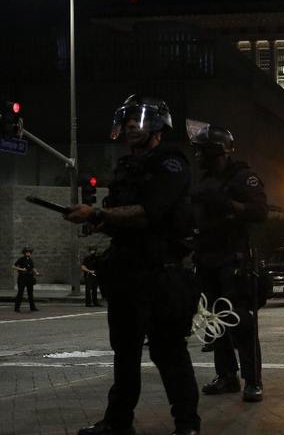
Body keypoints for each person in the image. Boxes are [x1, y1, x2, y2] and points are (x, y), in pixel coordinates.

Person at [64, 95, 201, 435]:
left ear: (157, 127)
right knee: (124, 352)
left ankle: (187, 424)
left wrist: (99, 213)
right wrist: (97, 221)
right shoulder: (126, 168)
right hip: (128, 271)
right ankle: (118, 422)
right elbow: (119, 218)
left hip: (162, 273)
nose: (130, 127)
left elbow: (151, 211)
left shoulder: (171, 163)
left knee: (168, 351)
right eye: (126, 122)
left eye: (137, 122)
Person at [190, 125, 268, 403]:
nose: (198, 156)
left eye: (201, 150)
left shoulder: (243, 178)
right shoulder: (204, 181)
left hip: (233, 259)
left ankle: (253, 379)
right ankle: (226, 375)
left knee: (241, 320)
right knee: (214, 322)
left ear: (215, 150)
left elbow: (260, 211)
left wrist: (229, 204)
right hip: (207, 258)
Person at [13, 246, 38, 312]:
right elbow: (14, 266)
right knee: (20, 292)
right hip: (22, 277)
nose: (28, 253)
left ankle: (32, 307)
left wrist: (36, 272)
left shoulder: (30, 259)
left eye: (29, 252)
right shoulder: (21, 259)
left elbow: (32, 267)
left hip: (29, 277)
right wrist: (21, 269)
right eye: (27, 252)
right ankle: (17, 308)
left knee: (30, 293)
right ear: (24, 253)